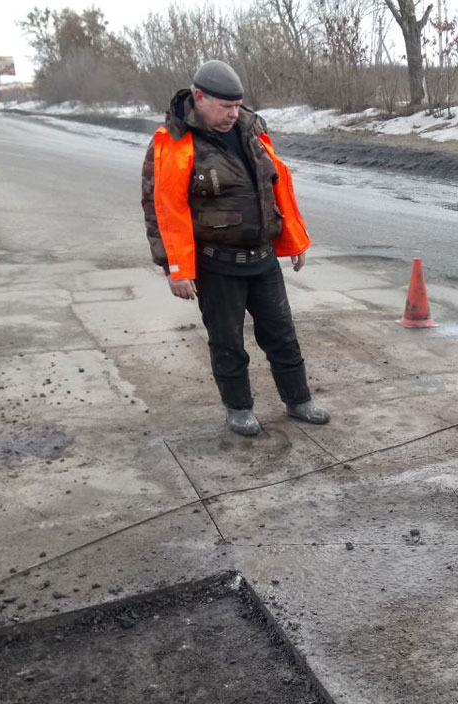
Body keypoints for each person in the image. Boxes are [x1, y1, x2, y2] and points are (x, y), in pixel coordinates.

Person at [141, 60, 329, 436]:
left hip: (262, 259)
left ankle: (298, 400)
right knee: (228, 343)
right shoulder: (175, 142)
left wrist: (292, 238)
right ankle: (239, 409)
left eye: (237, 105)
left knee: (282, 335)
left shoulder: (251, 130)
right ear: (198, 98)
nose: (233, 113)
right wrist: (176, 269)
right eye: (225, 106)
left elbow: (276, 187)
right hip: (217, 265)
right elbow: (163, 209)